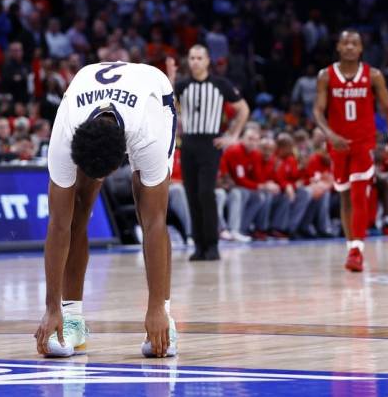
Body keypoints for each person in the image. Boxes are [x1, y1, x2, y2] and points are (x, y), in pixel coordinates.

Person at [35, 61, 178, 359]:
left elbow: (155, 224)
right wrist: (51, 308)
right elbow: (57, 225)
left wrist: (153, 308)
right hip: (87, 87)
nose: (97, 182)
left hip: (154, 95)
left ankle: (164, 314)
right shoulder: (66, 132)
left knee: (150, 210)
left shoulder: (147, 132)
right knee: (75, 213)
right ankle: (71, 316)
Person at [314, 29, 388, 272]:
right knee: (344, 195)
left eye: (354, 43)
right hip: (337, 144)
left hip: (362, 143)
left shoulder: (373, 75)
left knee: (359, 194)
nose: (350, 47)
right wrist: (329, 134)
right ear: (338, 47)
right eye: (345, 43)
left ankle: (356, 250)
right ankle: (351, 243)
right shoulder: (326, 76)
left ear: (361, 48)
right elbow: (318, 111)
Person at [175, 44, 249, 261]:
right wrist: (169, 80)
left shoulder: (220, 84)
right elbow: (165, 102)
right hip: (188, 143)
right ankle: (199, 245)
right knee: (191, 194)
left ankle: (212, 244)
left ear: (207, 61)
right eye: (192, 58)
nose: (195, 62)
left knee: (206, 193)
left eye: (199, 58)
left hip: (210, 144)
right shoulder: (181, 85)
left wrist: (232, 135)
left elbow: (243, 109)